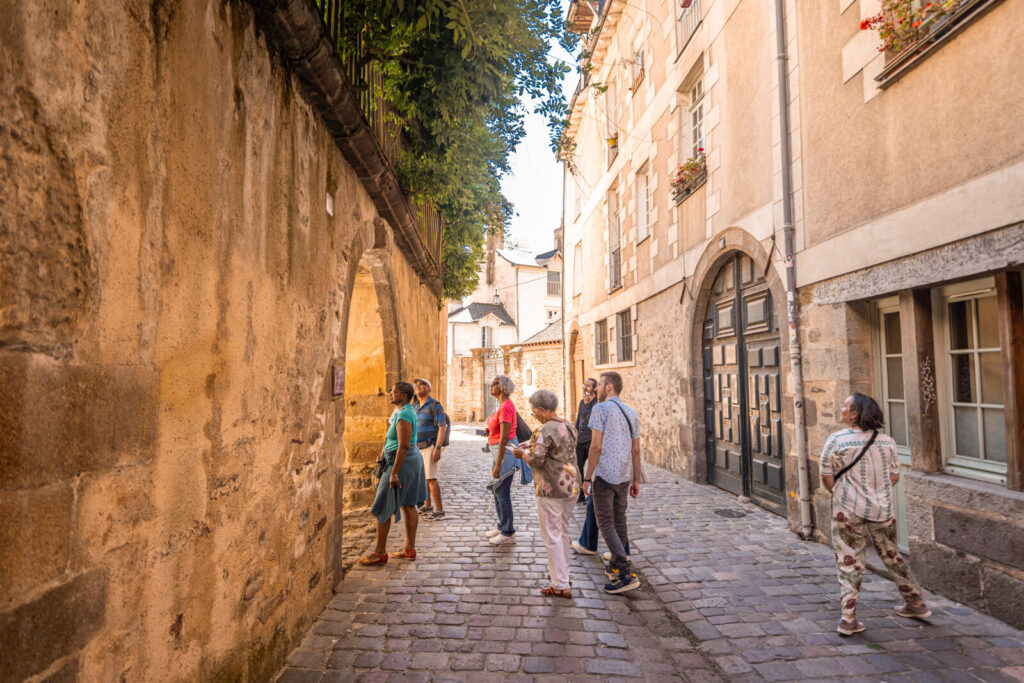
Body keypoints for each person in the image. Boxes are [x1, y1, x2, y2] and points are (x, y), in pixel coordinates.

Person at [820, 392, 930, 636]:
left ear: (855, 413)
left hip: (846, 509)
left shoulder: (836, 440)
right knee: (893, 556)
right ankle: (916, 604)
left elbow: (826, 476)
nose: (841, 408)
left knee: (849, 560)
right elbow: (893, 476)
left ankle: (848, 619)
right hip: (882, 509)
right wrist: (874, 493)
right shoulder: (887, 442)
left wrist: (840, 492)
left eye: (845, 406)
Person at [512, 390, 580, 598]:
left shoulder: (543, 429)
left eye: (534, 412)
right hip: (570, 484)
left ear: (541, 410)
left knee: (551, 535)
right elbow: (553, 450)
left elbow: (537, 460)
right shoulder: (568, 425)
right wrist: (531, 446)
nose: (534, 416)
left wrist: (522, 453)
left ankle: (560, 584)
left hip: (550, 486)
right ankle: (563, 575)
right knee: (563, 532)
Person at [581, 371, 641, 594]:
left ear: (609, 387)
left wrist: (587, 477)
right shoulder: (632, 412)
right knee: (620, 519)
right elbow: (636, 449)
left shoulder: (600, 409)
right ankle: (617, 564)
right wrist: (636, 478)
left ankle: (625, 571)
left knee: (605, 521)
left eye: (600, 385)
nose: (595, 388)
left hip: (605, 475)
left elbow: (595, 447)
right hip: (624, 476)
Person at [359, 382, 428, 565]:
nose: (390, 394)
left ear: (404, 395)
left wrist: (394, 472)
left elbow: (403, 445)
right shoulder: (404, 411)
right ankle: (409, 549)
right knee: (408, 504)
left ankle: (380, 552)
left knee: (383, 505)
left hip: (401, 464)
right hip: (409, 461)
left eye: (394, 392)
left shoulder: (405, 413)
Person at [483, 374, 531, 545]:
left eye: (494, 383)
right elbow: (499, 430)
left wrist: (498, 464)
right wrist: (489, 431)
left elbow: (505, 438)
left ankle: (508, 532)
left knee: (502, 493)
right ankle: (502, 525)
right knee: (497, 490)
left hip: (505, 454)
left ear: (502, 387)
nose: (491, 385)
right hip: (498, 451)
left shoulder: (506, 407)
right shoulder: (501, 405)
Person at [413, 378, 448, 520]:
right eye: (417, 385)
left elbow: (442, 427)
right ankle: (427, 506)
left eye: (423, 385)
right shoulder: (415, 405)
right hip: (418, 446)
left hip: (430, 445)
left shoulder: (435, 406)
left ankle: (439, 509)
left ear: (429, 389)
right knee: (423, 478)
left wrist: (437, 448)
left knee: (431, 478)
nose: (419, 387)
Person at [574, 378, 598, 504]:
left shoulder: (597, 403)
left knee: (592, 467)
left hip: (591, 439)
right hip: (581, 439)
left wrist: (588, 404)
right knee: (578, 468)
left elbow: (591, 420)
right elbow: (579, 420)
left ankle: (592, 495)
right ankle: (580, 495)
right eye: (585, 385)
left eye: (588, 386)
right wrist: (575, 434)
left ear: (594, 388)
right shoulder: (582, 402)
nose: (585, 387)